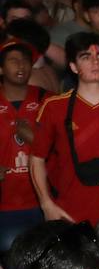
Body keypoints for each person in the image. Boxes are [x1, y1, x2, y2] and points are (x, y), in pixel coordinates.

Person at [30, 32, 99, 225]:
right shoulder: (54, 107)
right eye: (86, 57)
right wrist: (46, 204)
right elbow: (36, 158)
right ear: (73, 67)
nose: (95, 62)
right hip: (70, 214)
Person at [0, 39, 45, 252]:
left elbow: (65, 150)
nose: (21, 65)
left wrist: (35, 138)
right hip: (6, 205)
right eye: (13, 60)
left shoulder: (48, 100)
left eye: (26, 60)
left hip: (43, 201)